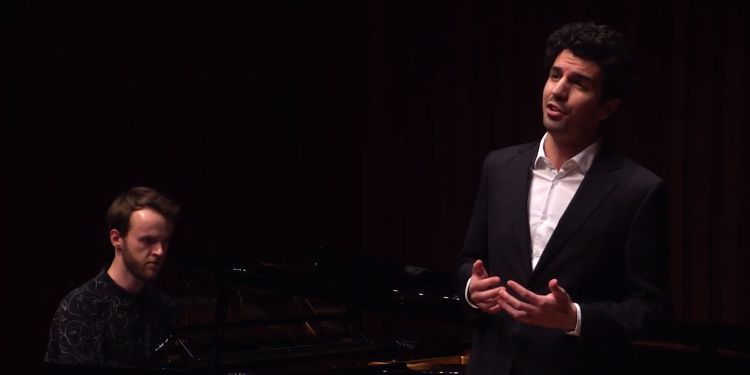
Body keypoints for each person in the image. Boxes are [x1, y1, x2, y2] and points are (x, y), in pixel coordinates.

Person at [456, 22, 669, 375]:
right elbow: (469, 260)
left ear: (607, 108)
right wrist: (470, 289)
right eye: (555, 76)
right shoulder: (499, 167)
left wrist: (574, 317)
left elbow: (650, 309)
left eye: (579, 83)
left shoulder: (638, 190)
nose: (558, 91)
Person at [46, 186, 181, 367]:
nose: (160, 251)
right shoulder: (80, 307)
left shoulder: (166, 307)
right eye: (148, 240)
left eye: (164, 241)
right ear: (117, 239)